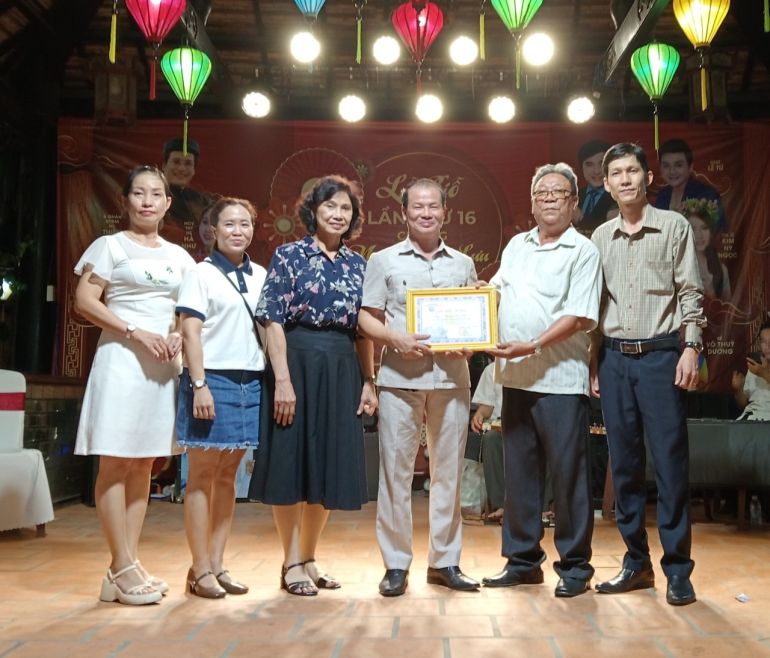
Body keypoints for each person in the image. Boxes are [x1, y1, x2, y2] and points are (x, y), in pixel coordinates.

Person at [249, 175, 377, 596]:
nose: (338, 214)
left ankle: (309, 555)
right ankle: (290, 561)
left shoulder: (360, 265)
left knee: (328, 465)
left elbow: (363, 332)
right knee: (292, 462)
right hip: (297, 362)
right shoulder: (289, 256)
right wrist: (282, 380)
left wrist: (369, 381)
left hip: (342, 367)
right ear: (313, 211)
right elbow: (271, 321)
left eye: (346, 209)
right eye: (330, 207)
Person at [73, 165, 196, 605]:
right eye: (138, 193)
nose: (147, 201)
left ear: (167, 203)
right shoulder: (109, 246)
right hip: (122, 361)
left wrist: (180, 332)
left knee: (144, 463)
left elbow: (188, 309)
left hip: (163, 367)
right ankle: (121, 564)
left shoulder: (180, 256)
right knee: (116, 462)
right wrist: (133, 332)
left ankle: (124, 564)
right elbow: (85, 300)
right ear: (125, 201)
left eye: (156, 194)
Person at [591, 143, 706, 606]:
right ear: (606, 183)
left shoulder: (673, 226)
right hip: (614, 359)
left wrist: (692, 347)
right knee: (625, 468)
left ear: (646, 176)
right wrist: (592, 360)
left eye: (632, 170)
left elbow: (691, 292)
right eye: (615, 172)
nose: (624, 179)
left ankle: (678, 569)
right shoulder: (599, 237)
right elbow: (594, 305)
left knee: (671, 465)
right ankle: (635, 563)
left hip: (661, 356)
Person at [481, 163, 601, 598]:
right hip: (515, 379)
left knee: (568, 477)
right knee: (520, 474)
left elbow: (577, 316)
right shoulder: (516, 245)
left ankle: (574, 566)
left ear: (574, 203)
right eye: (542, 193)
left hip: (560, 381)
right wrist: (475, 296)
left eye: (559, 193)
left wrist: (531, 345)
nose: (549, 198)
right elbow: (496, 291)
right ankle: (522, 561)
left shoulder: (582, 251)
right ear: (532, 203)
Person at [358, 178, 480, 597]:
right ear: (404, 213)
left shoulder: (462, 264)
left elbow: (472, 317)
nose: (425, 213)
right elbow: (365, 318)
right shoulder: (383, 260)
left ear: (445, 212)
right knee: (396, 475)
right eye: (417, 207)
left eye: (433, 207)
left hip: (451, 379)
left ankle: (444, 561)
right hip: (399, 382)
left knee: (448, 474)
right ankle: (395, 564)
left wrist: (473, 340)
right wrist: (394, 339)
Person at [175, 198, 267, 599]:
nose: (237, 231)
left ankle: (218, 562)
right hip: (211, 380)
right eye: (229, 224)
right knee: (201, 476)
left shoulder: (261, 274)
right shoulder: (201, 273)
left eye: (245, 224)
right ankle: (198, 569)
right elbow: (190, 332)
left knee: (229, 477)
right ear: (212, 230)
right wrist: (199, 385)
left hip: (252, 382)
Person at [654, 138, 726, 231]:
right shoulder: (662, 195)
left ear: (690, 167)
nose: (672, 171)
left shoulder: (707, 194)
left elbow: (719, 231)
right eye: (666, 166)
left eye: (678, 165)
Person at [161, 138, 218, 252]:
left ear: (194, 170)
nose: (182, 168)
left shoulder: (203, 201)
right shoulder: (149, 199)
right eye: (176, 161)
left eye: (188, 163)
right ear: (164, 165)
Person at [468, 361, 504, 522]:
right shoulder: (492, 370)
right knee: (490, 439)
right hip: (501, 427)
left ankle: (544, 507)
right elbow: (487, 406)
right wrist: (480, 414)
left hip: (528, 426)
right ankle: (500, 505)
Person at [679, 198, 731, 301]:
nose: (699, 235)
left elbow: (727, 310)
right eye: (693, 229)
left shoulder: (721, 270)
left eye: (704, 228)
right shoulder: (678, 268)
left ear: (711, 232)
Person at [573, 139, 618, 237]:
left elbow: (610, 231)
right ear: (581, 167)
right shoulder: (576, 195)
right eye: (589, 164)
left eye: (601, 164)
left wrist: (581, 220)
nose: (596, 171)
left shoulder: (619, 195)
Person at [732, 321, 770, 420]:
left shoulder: (759, 370)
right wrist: (738, 389)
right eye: (763, 342)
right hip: (751, 418)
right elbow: (742, 404)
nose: (767, 346)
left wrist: (765, 374)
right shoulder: (755, 367)